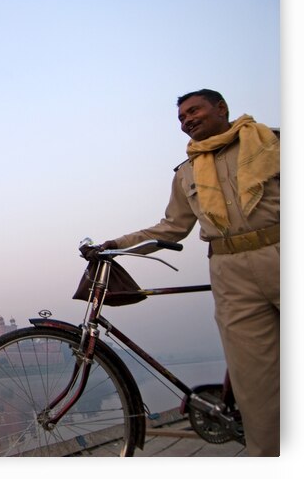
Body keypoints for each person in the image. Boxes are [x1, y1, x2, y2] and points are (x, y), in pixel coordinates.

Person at [99, 89, 279, 456]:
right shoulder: (188, 172)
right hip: (231, 275)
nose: (188, 120)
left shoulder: (270, 144)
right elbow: (170, 228)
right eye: (181, 118)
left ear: (221, 108)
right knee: (255, 386)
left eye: (194, 110)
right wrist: (114, 244)